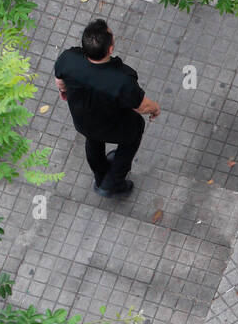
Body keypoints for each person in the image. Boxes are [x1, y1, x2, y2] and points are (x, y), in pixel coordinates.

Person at [54, 19, 161, 198]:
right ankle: (113, 183)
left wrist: (64, 91)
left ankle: (100, 175)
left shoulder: (68, 58)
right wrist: (155, 109)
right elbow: (142, 106)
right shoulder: (122, 79)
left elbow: (60, 82)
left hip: (83, 121)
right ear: (110, 49)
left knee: (93, 140)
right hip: (113, 125)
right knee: (133, 135)